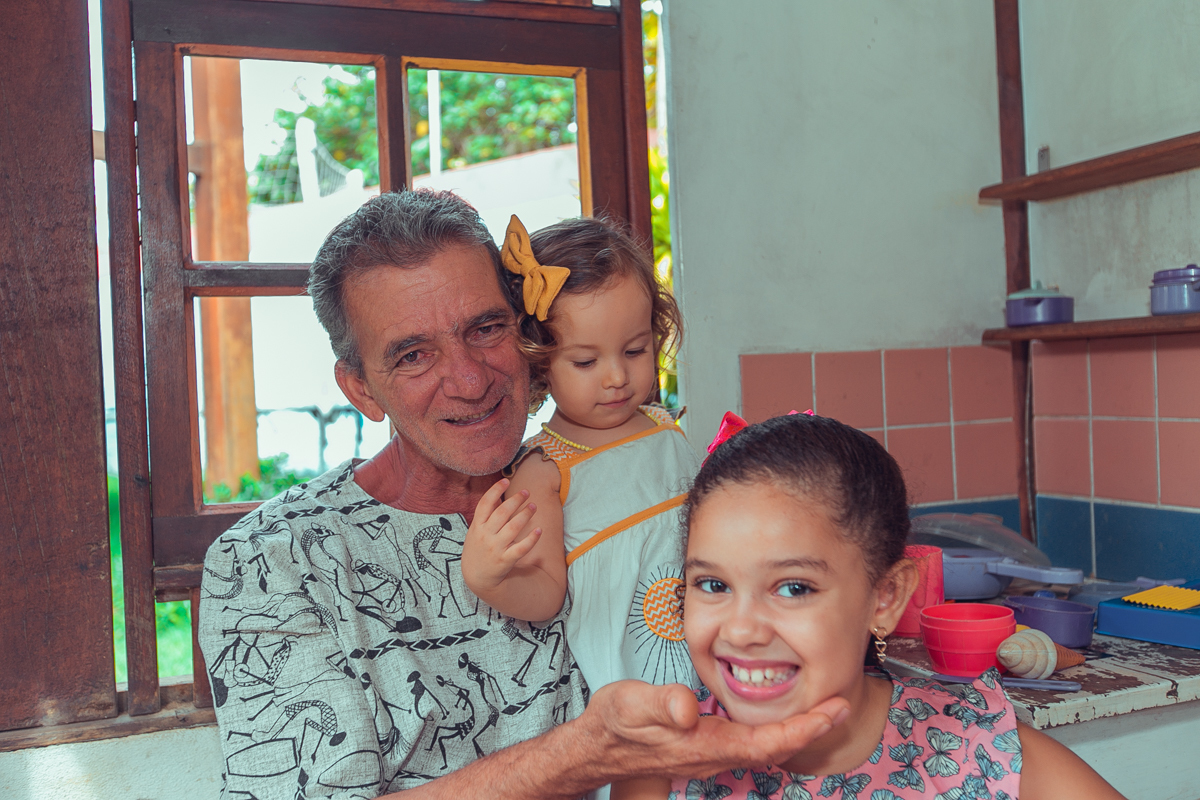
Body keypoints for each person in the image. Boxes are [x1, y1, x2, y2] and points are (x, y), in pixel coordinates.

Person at [198, 189, 849, 800]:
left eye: (485, 328)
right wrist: (585, 755)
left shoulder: (608, 465)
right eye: (414, 355)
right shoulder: (273, 561)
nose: (469, 379)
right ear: (362, 389)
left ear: (529, 332)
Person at [612, 413, 1127, 800]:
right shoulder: (660, 770)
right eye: (712, 584)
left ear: (886, 597)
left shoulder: (982, 751)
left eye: (793, 588)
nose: (741, 630)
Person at [461, 214, 700, 698]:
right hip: (633, 684)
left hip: (719, 653)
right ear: (538, 362)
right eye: (586, 362)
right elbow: (546, 593)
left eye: (635, 350)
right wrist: (487, 579)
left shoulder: (664, 427)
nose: (617, 377)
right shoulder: (547, 468)